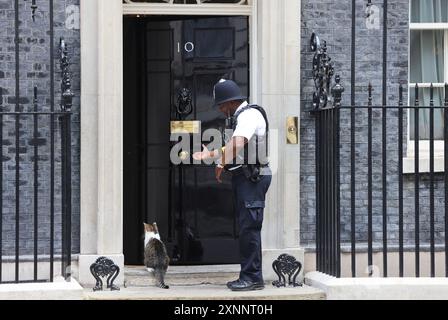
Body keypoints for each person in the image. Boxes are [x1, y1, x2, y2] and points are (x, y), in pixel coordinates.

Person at [193, 79, 272, 291]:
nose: (219, 109)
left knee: (250, 229)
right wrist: (210, 154)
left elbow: (237, 144)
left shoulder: (248, 115)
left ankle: (253, 278)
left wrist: (220, 163)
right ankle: (248, 275)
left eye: (220, 104)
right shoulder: (240, 118)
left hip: (252, 179)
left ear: (230, 102)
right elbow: (232, 146)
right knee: (247, 228)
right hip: (246, 178)